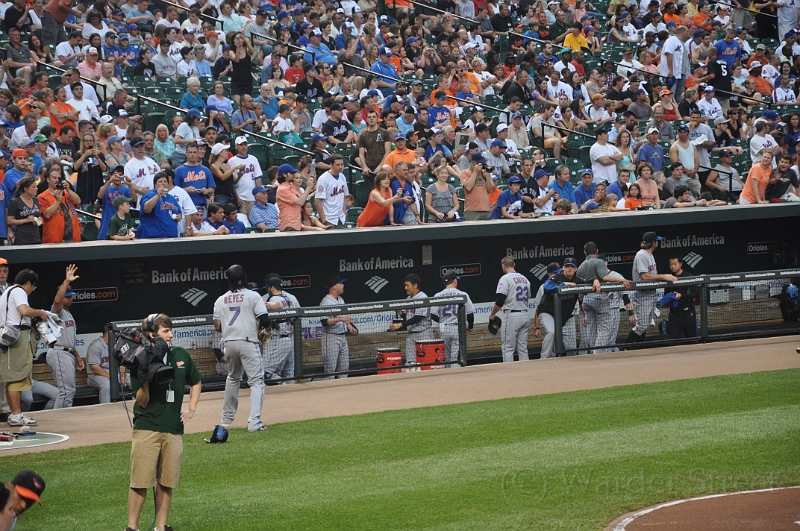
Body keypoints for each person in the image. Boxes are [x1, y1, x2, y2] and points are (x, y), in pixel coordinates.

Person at [126, 313, 201, 531]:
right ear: (152, 334)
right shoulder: (139, 357)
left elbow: (196, 382)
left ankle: (161, 527)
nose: (171, 335)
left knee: (167, 481)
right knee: (140, 482)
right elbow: (142, 401)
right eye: (166, 331)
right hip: (147, 428)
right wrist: (146, 380)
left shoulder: (181, 354)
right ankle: (132, 528)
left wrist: (192, 409)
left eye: (170, 330)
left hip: (173, 429)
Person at [214, 264, 269, 432]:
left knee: (233, 378)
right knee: (257, 382)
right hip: (247, 342)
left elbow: (217, 326)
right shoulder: (253, 296)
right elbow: (265, 320)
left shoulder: (220, 299)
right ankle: (254, 423)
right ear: (244, 278)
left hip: (229, 343)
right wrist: (264, 330)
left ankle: (226, 419)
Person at [0, 269, 49, 427]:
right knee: (17, 377)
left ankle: (15, 414)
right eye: (32, 287)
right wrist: (40, 313)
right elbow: (24, 311)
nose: (31, 291)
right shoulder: (18, 290)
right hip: (17, 338)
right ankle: (16, 415)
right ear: (28, 283)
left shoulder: (6, 291)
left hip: (8, 337)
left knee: (11, 378)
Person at [537, 258, 600, 358]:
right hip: (547, 312)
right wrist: (563, 284)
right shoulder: (556, 276)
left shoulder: (577, 280)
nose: (569, 269)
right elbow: (547, 286)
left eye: (572, 267)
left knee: (571, 347)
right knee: (552, 332)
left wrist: (595, 280)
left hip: (564, 316)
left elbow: (588, 281)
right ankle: (544, 358)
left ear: (576, 269)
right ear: (563, 268)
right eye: (567, 266)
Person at [576, 242, 631, 354]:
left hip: (587, 300)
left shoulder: (580, 266)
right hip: (599, 297)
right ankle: (598, 353)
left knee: (591, 329)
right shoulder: (599, 261)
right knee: (605, 329)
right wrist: (622, 280)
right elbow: (605, 277)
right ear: (597, 252)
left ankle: (593, 352)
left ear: (585, 252)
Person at [45, 264, 84, 409]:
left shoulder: (68, 313)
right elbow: (57, 301)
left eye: (71, 296)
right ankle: (60, 420)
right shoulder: (57, 311)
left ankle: (58, 418)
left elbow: (69, 340)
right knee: (66, 391)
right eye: (67, 297)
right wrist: (66, 281)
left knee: (68, 391)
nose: (70, 299)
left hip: (66, 353)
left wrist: (77, 356)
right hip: (59, 352)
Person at [628, 232, 678, 344]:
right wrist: (663, 276)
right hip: (642, 294)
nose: (658, 243)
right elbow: (644, 276)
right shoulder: (641, 255)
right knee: (641, 326)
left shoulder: (650, 255)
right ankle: (626, 347)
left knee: (645, 325)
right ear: (653, 243)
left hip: (650, 293)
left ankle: (637, 348)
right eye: (656, 241)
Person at [488, 256, 531, 363]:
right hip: (525, 314)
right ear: (514, 265)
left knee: (508, 348)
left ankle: (509, 374)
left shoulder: (505, 278)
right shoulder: (525, 279)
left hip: (512, 316)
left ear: (503, 266)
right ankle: (526, 373)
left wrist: (493, 313)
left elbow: (500, 299)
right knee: (523, 349)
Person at [388, 274, 433, 370]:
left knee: (426, 362)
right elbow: (408, 318)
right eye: (405, 285)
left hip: (423, 333)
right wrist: (400, 312)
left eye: (407, 285)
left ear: (415, 285)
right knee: (410, 363)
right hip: (411, 334)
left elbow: (418, 317)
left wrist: (400, 324)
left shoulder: (423, 297)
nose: (405, 288)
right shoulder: (408, 299)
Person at [431, 270, 475, 367]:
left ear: (444, 283)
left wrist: (442, 321)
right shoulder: (463, 294)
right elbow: (470, 314)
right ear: (455, 281)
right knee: (456, 358)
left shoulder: (438, 295)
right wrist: (470, 327)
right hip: (457, 328)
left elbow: (433, 315)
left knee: (446, 358)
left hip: (444, 328)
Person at [261, 275, 299, 382]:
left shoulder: (275, 298)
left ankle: (283, 386)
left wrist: (265, 305)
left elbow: (276, 304)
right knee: (283, 372)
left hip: (278, 340)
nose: (267, 290)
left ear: (272, 288)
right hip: (286, 339)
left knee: (265, 372)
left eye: (268, 288)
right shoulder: (288, 298)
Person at [319, 275, 357, 378]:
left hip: (342, 337)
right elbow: (324, 322)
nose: (343, 285)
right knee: (330, 371)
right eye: (340, 283)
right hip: (331, 337)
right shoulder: (325, 302)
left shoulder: (340, 299)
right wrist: (339, 319)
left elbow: (343, 316)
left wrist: (349, 326)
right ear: (334, 286)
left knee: (344, 370)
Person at [38, 164, 81, 243]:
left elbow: (78, 201)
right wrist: (57, 201)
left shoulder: (66, 193)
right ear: (48, 179)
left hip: (73, 238)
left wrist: (68, 189)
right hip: (54, 239)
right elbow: (46, 215)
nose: (57, 180)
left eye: (59, 178)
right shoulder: (42, 197)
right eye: (54, 178)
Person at [136, 172, 182, 238]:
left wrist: (179, 216)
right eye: (160, 181)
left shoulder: (171, 198)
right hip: (153, 237)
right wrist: (158, 195)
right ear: (155, 184)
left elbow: (179, 212)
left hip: (171, 236)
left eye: (165, 181)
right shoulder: (149, 195)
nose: (163, 183)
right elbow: (146, 209)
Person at [664, 255, 700, 339]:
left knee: (690, 339)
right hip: (674, 313)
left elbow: (696, 293)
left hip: (687, 311)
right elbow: (665, 295)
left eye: (675, 264)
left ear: (680, 264)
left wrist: (681, 296)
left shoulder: (688, 276)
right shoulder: (668, 278)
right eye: (670, 264)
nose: (672, 266)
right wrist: (671, 297)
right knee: (672, 340)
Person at [315, 154, 348, 227]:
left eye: (342, 164)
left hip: (341, 218)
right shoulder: (323, 179)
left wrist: (344, 213)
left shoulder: (342, 176)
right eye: (338, 165)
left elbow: (345, 196)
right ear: (331, 165)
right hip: (329, 219)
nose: (341, 167)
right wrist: (323, 219)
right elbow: (318, 200)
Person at [86, 330, 112, 403]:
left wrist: (123, 375)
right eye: (116, 332)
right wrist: (113, 378)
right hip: (94, 376)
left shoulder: (116, 344)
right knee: (107, 385)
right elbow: (95, 368)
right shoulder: (95, 346)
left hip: (112, 374)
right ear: (108, 332)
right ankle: (106, 410)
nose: (118, 334)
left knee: (134, 380)